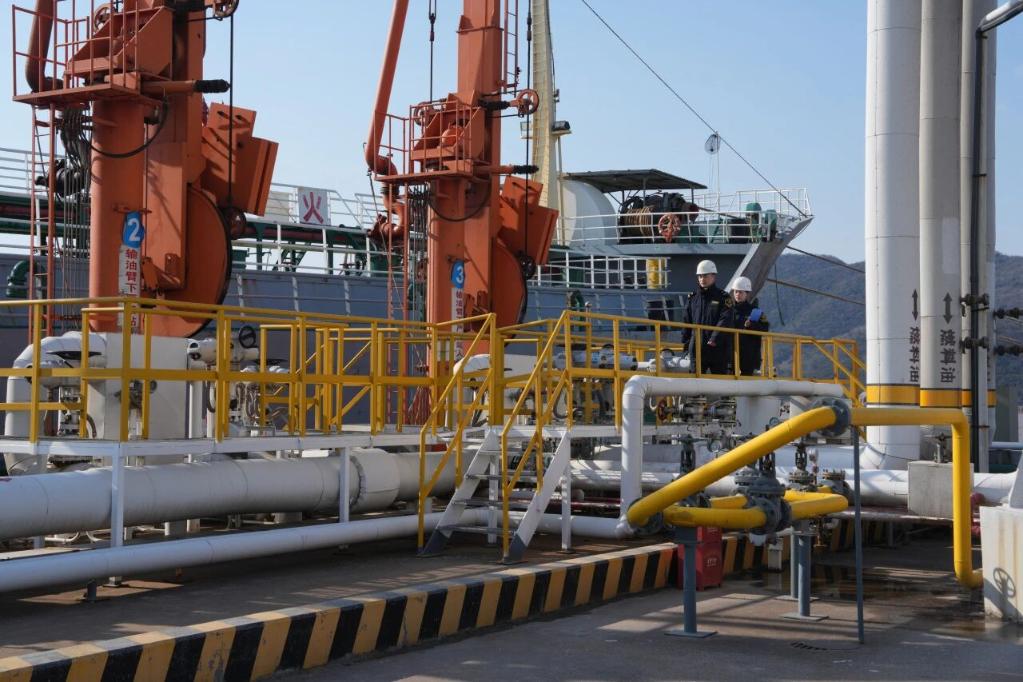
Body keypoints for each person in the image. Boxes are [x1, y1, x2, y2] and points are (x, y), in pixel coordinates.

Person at [680, 259, 731, 374]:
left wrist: (714, 338)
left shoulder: (723, 298)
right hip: (696, 347)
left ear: (713, 276)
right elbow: (687, 321)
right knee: (695, 381)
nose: (702, 279)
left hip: (717, 348)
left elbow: (725, 319)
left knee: (720, 382)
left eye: (705, 276)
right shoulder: (693, 298)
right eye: (700, 276)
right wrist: (686, 344)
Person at [715, 276, 769, 375]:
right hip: (730, 355)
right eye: (736, 292)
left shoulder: (755, 312)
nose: (737, 294)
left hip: (748, 356)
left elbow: (765, 329)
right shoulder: (727, 311)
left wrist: (751, 325)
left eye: (740, 292)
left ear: (746, 293)